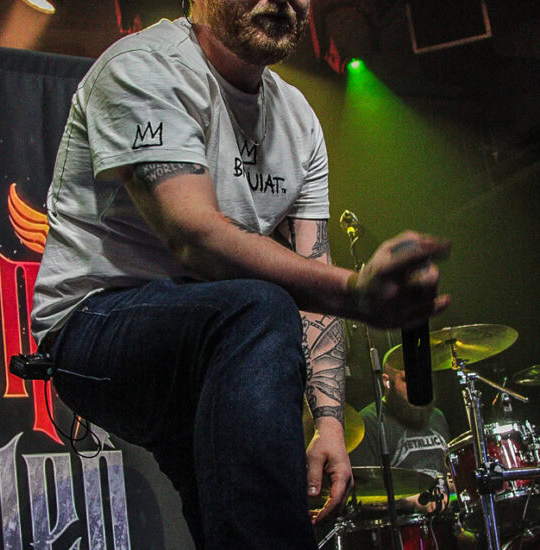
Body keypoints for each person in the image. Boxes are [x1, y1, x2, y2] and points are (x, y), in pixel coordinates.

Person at [30, 0, 451, 548]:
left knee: (228, 522)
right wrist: (357, 293)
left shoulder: (298, 119)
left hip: (218, 347)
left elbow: (312, 270)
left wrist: (329, 422)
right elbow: (196, 239)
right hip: (94, 330)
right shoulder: (144, 66)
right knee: (261, 306)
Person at [349, 358, 451, 513]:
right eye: (408, 380)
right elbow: (361, 495)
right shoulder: (368, 423)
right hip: (405, 523)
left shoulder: (437, 416)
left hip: (448, 518)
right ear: (387, 381)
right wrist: (411, 502)